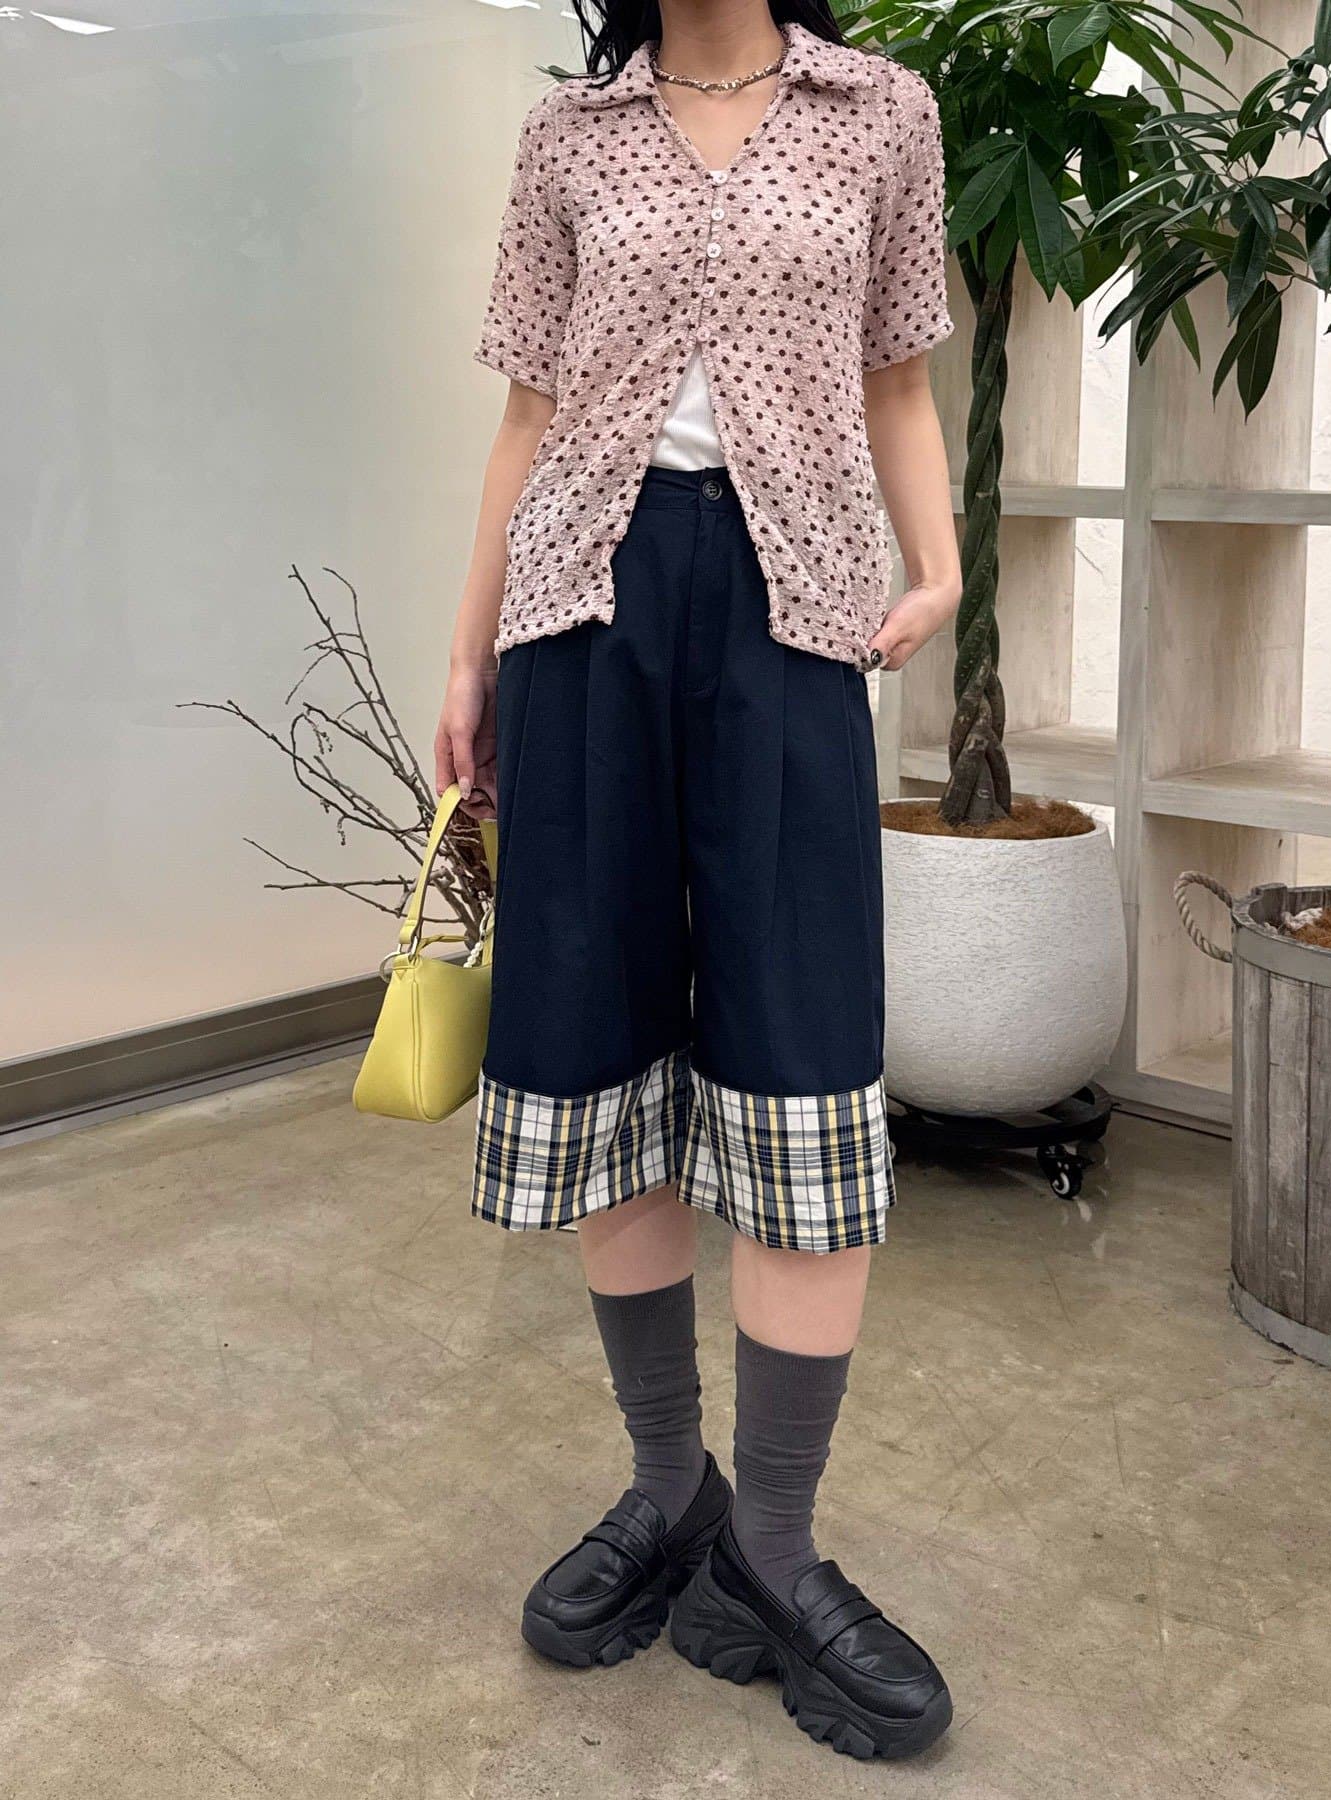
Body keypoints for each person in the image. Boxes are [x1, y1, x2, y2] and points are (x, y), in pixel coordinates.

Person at [435, 0, 961, 1761]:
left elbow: (900, 376)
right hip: (581, 609)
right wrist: (468, 655)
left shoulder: (880, 111)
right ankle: (671, 1488)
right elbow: (528, 414)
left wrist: (943, 564)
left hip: (796, 605)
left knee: (803, 1042)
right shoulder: (570, 135)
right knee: (596, 1040)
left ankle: (773, 1549)